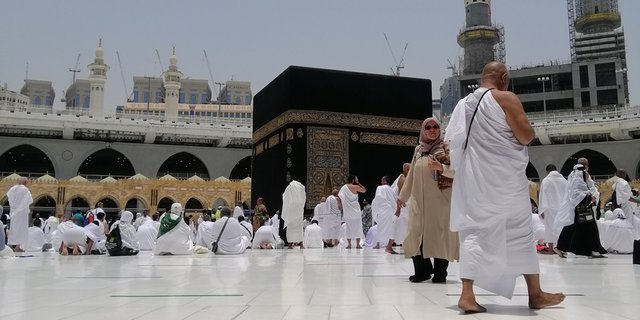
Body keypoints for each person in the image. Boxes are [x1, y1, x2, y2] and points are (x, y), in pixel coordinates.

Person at [445, 62, 564, 312]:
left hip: (475, 182)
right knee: (521, 232)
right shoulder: (506, 98)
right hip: (505, 183)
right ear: (504, 77)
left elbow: (453, 143)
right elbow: (525, 136)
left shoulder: (463, 105)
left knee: (475, 232)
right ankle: (535, 294)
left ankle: (467, 294)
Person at [397, 117, 458, 284]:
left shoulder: (446, 148)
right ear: (423, 130)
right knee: (413, 234)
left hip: (441, 202)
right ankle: (422, 271)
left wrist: (441, 168)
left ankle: (440, 272)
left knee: (440, 236)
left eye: (435, 127)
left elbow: (458, 172)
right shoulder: (419, 150)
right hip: (418, 201)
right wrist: (402, 196)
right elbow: (411, 176)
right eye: (428, 127)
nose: (432, 130)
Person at [555, 162, 607, 258]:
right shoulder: (577, 181)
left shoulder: (581, 181)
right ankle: (594, 250)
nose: (586, 173)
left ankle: (561, 247)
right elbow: (575, 195)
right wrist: (589, 197)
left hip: (583, 208)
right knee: (589, 229)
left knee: (573, 229)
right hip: (581, 210)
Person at [538, 164, 568, 253]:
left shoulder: (546, 181)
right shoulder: (564, 181)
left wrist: (542, 209)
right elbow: (567, 194)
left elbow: (543, 195)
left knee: (550, 228)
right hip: (562, 208)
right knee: (561, 228)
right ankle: (562, 248)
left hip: (550, 208)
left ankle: (551, 249)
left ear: (547, 171)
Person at [339, 175, 366, 249]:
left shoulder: (344, 188)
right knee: (358, 227)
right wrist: (358, 183)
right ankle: (358, 245)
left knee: (349, 228)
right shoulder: (356, 187)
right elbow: (364, 190)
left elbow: (340, 197)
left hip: (348, 211)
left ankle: (349, 244)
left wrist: (342, 206)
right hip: (356, 211)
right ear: (353, 180)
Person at [372, 176, 398, 254]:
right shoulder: (391, 189)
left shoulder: (380, 188)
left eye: (382, 180)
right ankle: (388, 245)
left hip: (383, 210)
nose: (381, 181)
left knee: (380, 227)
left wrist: (375, 209)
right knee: (390, 228)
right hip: (390, 210)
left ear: (385, 181)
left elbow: (378, 198)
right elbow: (394, 199)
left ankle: (378, 244)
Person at [6, 177, 33, 252]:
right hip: (22, 213)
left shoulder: (12, 189)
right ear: (25, 183)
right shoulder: (25, 190)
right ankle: (18, 246)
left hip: (13, 212)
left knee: (13, 228)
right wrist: (20, 206)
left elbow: (9, 198)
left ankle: (11, 245)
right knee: (21, 229)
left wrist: (14, 206)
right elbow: (30, 200)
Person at [281, 176, 306, 249]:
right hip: (299, 209)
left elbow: (285, 197)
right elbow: (304, 198)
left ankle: (290, 244)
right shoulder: (302, 187)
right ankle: (301, 244)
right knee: (299, 227)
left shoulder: (289, 187)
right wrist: (301, 205)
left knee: (290, 227)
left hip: (291, 209)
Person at [392, 163, 411, 246]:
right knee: (403, 225)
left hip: (405, 205)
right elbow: (400, 194)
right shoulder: (403, 179)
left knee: (404, 225)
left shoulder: (405, 178)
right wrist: (398, 208)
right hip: (403, 206)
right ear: (406, 169)